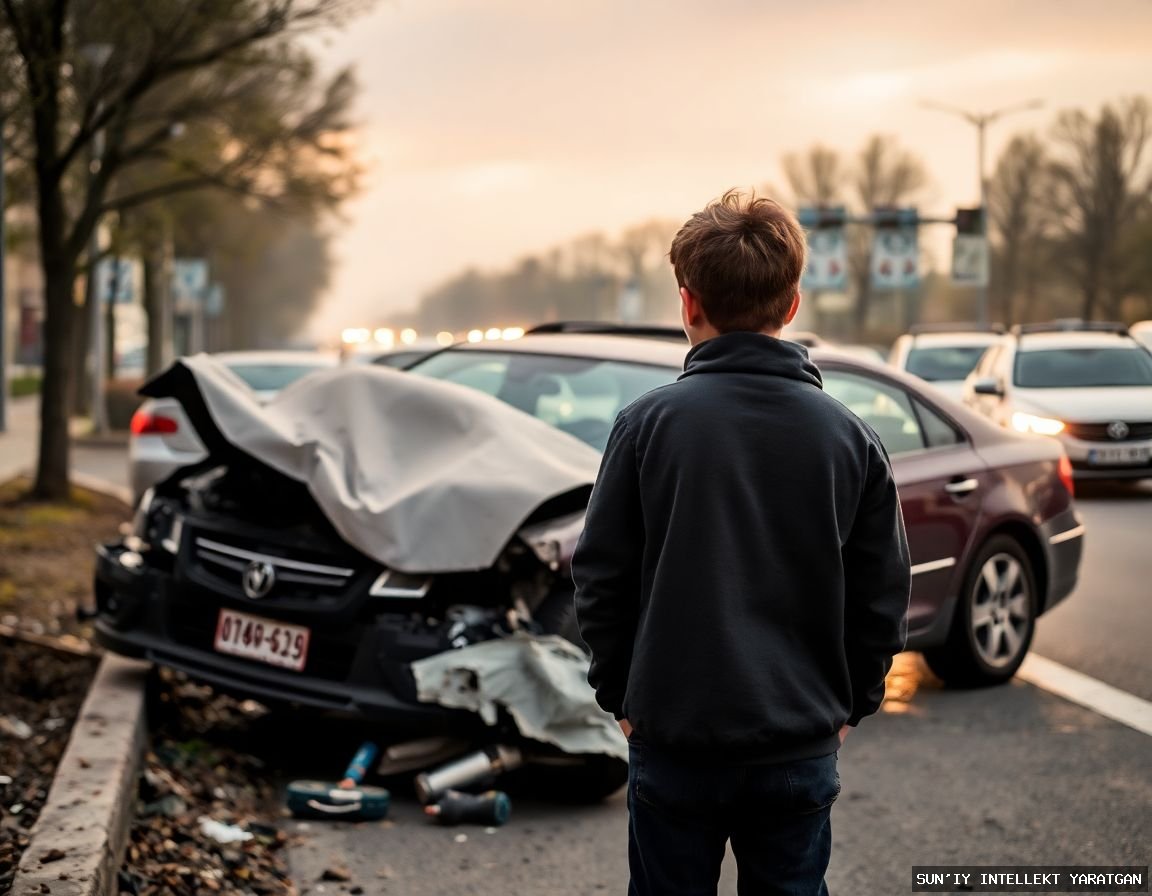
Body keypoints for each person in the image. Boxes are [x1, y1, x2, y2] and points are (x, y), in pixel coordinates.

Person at [572, 190, 911, 896]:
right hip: (798, 742)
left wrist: (621, 697)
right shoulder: (849, 438)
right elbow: (882, 597)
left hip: (673, 742)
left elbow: (600, 576)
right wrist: (852, 705)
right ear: (792, 306)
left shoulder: (645, 427)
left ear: (687, 302)